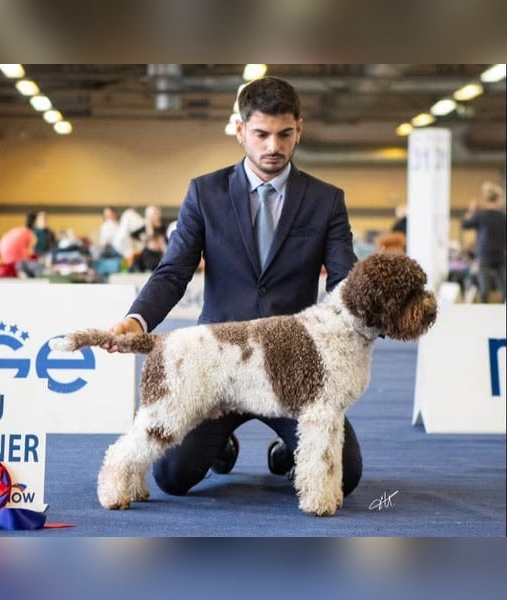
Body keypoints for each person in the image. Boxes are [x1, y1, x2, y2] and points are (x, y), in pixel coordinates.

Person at [101, 76, 362, 500]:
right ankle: (221, 445)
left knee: (346, 477)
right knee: (171, 477)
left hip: (292, 370)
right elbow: (173, 272)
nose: (272, 147)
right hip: (214, 366)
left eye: (284, 134)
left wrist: (366, 316)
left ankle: (286, 450)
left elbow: (343, 281)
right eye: (260, 134)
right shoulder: (204, 193)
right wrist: (137, 319)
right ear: (241, 131)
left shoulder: (326, 200)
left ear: (300, 128)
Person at [462, 181, 506, 303]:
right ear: (497, 199)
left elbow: (465, 223)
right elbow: (465, 225)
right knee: (487, 289)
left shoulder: (501, 216)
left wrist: (471, 211)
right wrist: (472, 210)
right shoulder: (483, 215)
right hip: (486, 257)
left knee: (497, 289)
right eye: (501, 199)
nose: (502, 202)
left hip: (497, 257)